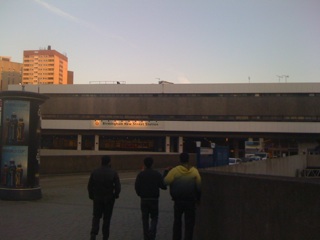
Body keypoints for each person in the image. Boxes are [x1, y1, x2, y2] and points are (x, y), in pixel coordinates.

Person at [164, 152, 201, 240]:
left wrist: (166, 172)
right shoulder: (194, 171)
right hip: (191, 201)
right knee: (190, 223)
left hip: (178, 201)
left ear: (180, 160)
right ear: (188, 160)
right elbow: (199, 187)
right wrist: (198, 199)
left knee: (177, 221)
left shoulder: (174, 171)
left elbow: (165, 182)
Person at [88, 156, 121, 240]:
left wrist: (91, 195)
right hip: (109, 198)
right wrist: (116, 195)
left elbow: (90, 185)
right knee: (107, 218)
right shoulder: (113, 172)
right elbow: (118, 187)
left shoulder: (95, 172)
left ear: (101, 162)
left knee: (96, 216)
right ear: (109, 162)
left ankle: (93, 233)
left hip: (97, 198)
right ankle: (105, 236)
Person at [135, 157, 167, 240]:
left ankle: (146, 236)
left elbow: (137, 187)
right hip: (154, 199)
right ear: (152, 164)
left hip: (144, 199)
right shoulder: (156, 174)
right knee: (154, 217)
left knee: (145, 219)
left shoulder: (141, 174)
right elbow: (163, 186)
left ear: (144, 164)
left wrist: (140, 194)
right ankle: (152, 234)